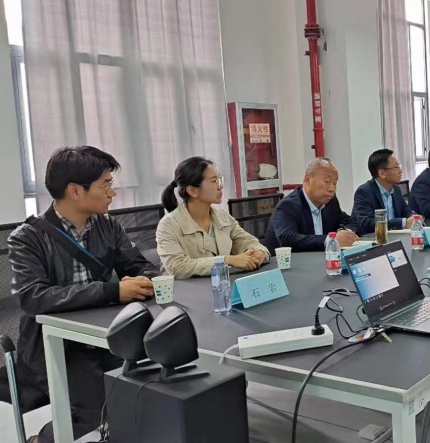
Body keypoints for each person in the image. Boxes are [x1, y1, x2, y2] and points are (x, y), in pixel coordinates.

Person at [8, 146, 159, 443]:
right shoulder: (27, 238)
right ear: (76, 191)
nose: (112, 193)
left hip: (105, 335)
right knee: (92, 413)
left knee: (142, 392)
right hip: (59, 345)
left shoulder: (108, 226)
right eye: (106, 185)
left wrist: (146, 280)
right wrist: (112, 291)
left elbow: (141, 266)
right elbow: (34, 297)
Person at [156, 157, 270, 280]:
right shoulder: (168, 225)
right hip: (185, 290)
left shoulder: (222, 217)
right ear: (192, 191)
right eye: (214, 181)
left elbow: (247, 241)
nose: (220, 186)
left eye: (219, 180)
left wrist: (260, 253)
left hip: (221, 286)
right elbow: (177, 267)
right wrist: (226, 260)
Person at [265, 158, 359, 252]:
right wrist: (330, 240)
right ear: (308, 180)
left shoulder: (331, 202)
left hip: (322, 258)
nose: (332, 189)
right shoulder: (288, 205)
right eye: (327, 181)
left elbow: (351, 221)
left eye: (335, 183)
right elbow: (287, 239)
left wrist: (347, 234)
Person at [352, 149, 415, 233]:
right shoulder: (364, 192)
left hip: (395, 237)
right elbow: (367, 224)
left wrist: (414, 217)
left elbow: (406, 210)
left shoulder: (396, 189)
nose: (400, 171)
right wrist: (403, 223)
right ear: (382, 173)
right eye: (396, 167)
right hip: (373, 238)